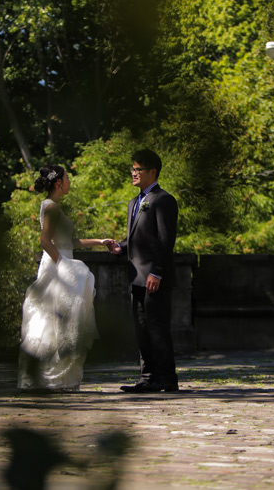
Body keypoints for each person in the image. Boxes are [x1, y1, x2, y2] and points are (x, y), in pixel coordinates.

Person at [18, 164, 116, 392]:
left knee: (64, 323)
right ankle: (47, 377)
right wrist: (63, 265)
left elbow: (69, 243)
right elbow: (45, 241)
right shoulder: (51, 207)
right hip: (56, 271)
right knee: (51, 322)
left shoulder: (55, 208)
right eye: (68, 178)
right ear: (59, 183)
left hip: (61, 268)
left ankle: (59, 378)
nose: (70, 182)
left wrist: (100, 242)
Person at [110, 149, 180, 393]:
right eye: (133, 169)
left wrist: (157, 272)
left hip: (154, 278)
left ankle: (167, 378)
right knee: (141, 328)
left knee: (158, 328)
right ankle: (148, 377)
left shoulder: (163, 200)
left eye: (138, 169)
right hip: (136, 277)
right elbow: (138, 239)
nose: (133, 173)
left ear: (153, 172)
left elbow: (164, 240)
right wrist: (120, 246)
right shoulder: (134, 202)